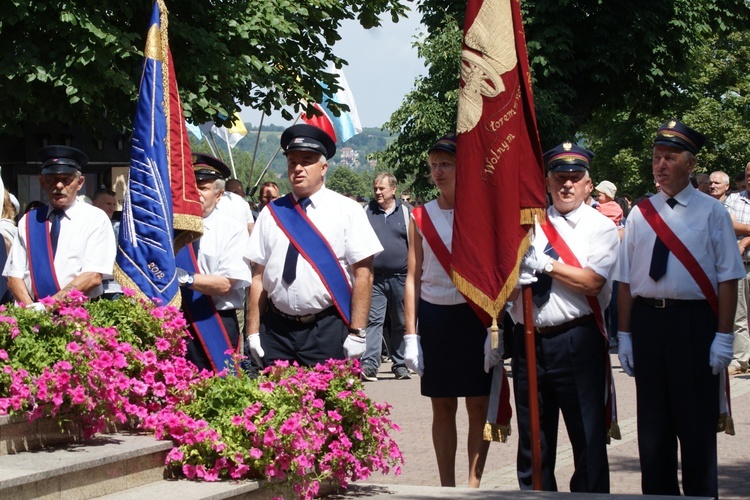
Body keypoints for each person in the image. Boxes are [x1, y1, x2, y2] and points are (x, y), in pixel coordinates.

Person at [616, 120, 743, 498]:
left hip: (694, 325)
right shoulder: (640, 213)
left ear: (691, 164)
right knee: (653, 429)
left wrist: (723, 336)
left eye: (669, 157)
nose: (660, 165)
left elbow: (728, 278)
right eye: (656, 157)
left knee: (696, 425)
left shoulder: (712, 213)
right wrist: (624, 334)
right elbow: (624, 279)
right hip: (649, 323)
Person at [508, 142, 618, 493]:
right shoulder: (528, 224)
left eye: (575, 178)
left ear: (589, 184)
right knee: (534, 440)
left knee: (586, 436)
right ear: (547, 181)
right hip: (529, 341)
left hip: (577, 339)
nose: (567, 185)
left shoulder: (600, 227)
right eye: (560, 178)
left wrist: (547, 264)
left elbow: (592, 281)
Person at [245, 124, 382, 369]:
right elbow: (258, 277)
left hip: (327, 329)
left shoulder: (347, 210)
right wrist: (253, 331)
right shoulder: (271, 214)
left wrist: (358, 331)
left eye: (306, 161)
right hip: (276, 331)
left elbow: (364, 274)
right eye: (292, 162)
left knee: (329, 405)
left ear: (323, 167)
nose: (297, 168)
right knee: (277, 405)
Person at [402, 133, 495, 488]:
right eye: (434, 165)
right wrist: (412, 335)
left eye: (446, 164)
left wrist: (494, 326)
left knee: (478, 407)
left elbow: (494, 274)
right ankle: (446, 487)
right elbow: (412, 276)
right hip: (436, 317)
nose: (438, 172)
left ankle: (473, 485)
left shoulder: (483, 212)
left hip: (475, 317)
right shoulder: (420, 215)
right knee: (442, 407)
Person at [3, 146, 116, 304]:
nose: (59, 186)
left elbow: (93, 276)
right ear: (42, 182)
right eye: (52, 179)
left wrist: (46, 307)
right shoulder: (29, 221)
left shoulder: (94, 219)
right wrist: (32, 312)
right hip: (32, 316)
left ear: (79, 183)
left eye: (66, 179)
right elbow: (14, 276)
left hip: (78, 317)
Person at [176, 153, 252, 372]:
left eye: (203, 187)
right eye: (191, 185)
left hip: (216, 319)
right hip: (180, 320)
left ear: (219, 195)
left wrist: (186, 277)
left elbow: (226, 284)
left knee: (223, 391)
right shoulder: (172, 229)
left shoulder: (232, 230)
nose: (195, 192)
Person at [361, 172, 411, 381]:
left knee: (400, 322)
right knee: (373, 321)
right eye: (375, 188)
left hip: (401, 277)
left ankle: (400, 365)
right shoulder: (366, 212)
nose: (377, 192)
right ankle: (370, 365)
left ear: (393, 189)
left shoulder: (407, 213)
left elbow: (415, 246)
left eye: (382, 188)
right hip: (376, 279)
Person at [723, 161, 750, 375]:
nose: (749, 178)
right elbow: (728, 225)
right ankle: (741, 360)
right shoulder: (734, 199)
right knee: (738, 315)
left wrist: (745, 240)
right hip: (740, 265)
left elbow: (737, 229)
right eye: (748, 174)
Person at [92, 187, 122, 300]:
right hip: (87, 288)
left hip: (113, 288)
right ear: (95, 203)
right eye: (108, 204)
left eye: (114, 204)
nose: (112, 208)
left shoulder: (119, 228)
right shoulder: (83, 226)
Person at [215, 169, 254, 234]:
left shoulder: (216, 199)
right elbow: (251, 228)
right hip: (240, 241)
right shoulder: (244, 203)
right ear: (243, 194)